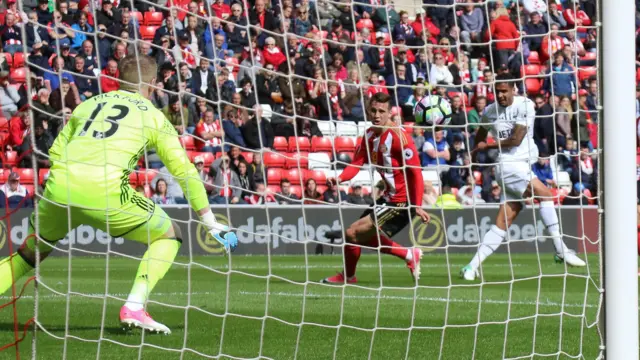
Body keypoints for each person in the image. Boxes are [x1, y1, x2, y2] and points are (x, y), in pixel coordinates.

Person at [0, 55, 238, 335]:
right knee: (170, 235)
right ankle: (135, 306)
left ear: (118, 80)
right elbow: (184, 172)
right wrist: (210, 221)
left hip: (59, 187)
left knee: (29, 255)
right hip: (106, 191)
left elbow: (55, 151)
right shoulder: (152, 115)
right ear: (152, 83)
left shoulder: (88, 105)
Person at [460, 74, 585, 281]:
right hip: (509, 166)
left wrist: (487, 145)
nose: (500, 95)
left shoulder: (524, 105)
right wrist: (474, 153)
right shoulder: (490, 112)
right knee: (546, 195)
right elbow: (480, 137)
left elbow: (516, 139)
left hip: (518, 166)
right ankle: (560, 249)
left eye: (504, 91)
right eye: (497, 91)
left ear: (513, 89)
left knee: (505, 220)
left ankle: (471, 267)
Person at [321, 93, 430, 284]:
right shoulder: (369, 135)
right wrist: (339, 178)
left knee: (352, 233)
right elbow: (356, 163)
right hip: (387, 198)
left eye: (381, 111)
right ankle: (408, 255)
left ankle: (349, 277)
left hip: (402, 201)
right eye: (373, 110)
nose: (377, 115)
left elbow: (416, 173)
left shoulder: (399, 137)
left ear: (389, 113)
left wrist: (417, 205)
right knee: (354, 237)